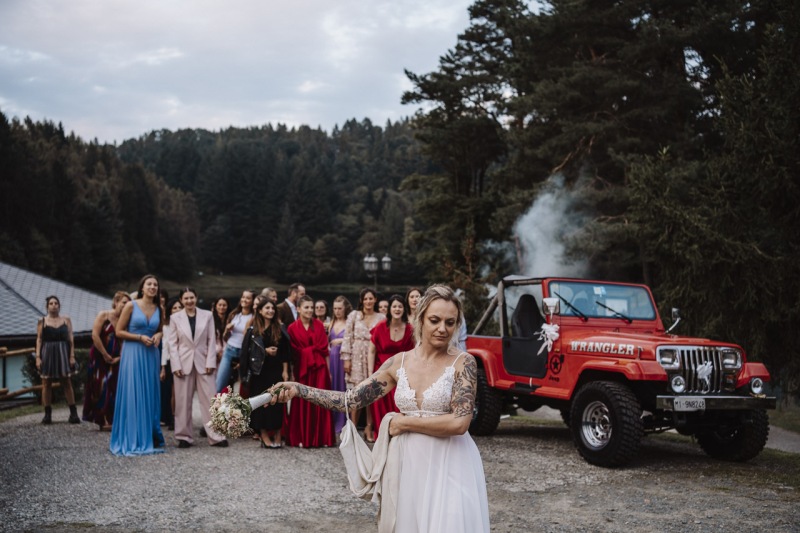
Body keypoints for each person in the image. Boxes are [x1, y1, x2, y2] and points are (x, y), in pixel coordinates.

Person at [269, 285, 490, 531]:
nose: (442, 329)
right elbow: (349, 400)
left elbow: (459, 423)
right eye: (435, 320)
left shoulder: (464, 362)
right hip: (408, 463)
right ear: (420, 318)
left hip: (451, 461)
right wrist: (300, 389)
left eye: (450, 322)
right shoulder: (399, 362)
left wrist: (403, 423)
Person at [110, 274, 165, 456]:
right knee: (134, 391)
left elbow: (160, 330)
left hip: (151, 354)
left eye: (155, 285)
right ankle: (132, 436)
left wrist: (158, 336)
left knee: (149, 393)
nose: (153, 287)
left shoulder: (159, 308)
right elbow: (119, 331)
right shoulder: (130, 305)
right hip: (133, 352)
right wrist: (139, 337)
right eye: (149, 284)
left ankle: (149, 435)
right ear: (142, 288)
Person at [168, 288, 228, 448]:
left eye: (192, 297)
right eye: (186, 298)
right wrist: (175, 364)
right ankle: (183, 436)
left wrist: (210, 362)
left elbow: (211, 339)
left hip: (204, 361)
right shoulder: (175, 318)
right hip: (182, 362)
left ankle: (216, 435)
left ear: (196, 298)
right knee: (183, 401)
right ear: (181, 300)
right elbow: (172, 343)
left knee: (210, 399)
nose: (189, 301)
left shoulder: (207, 315)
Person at [239, 298, 290, 448]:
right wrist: (265, 352)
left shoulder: (280, 328)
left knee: (278, 402)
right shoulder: (253, 331)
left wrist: (286, 372)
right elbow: (245, 355)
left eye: (272, 308)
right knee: (261, 403)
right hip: (259, 372)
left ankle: (278, 434)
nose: (270, 311)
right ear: (260, 310)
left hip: (276, 370)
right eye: (267, 308)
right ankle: (263, 435)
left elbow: (286, 353)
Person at [285, 295, 334, 448]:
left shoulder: (319, 325)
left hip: (319, 367)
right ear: (298, 309)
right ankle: (301, 436)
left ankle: (322, 438)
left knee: (320, 399)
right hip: (302, 368)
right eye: (306, 307)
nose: (309, 310)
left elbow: (324, 350)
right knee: (301, 399)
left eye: (311, 307)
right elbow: (292, 354)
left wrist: (329, 371)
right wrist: (291, 372)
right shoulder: (291, 328)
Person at [367, 294, 414, 441]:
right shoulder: (380, 327)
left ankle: (398, 436)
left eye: (400, 306)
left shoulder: (410, 329)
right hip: (381, 372)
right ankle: (381, 435)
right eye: (394, 306)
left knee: (398, 405)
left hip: (401, 374)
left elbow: (413, 354)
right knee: (379, 405)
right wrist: (371, 374)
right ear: (389, 309)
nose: (397, 309)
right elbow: (371, 351)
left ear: (404, 309)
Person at [340, 287, 385, 442]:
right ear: (361, 300)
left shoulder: (381, 317)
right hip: (357, 354)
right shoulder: (354, 315)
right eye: (365, 299)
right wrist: (347, 358)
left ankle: (368, 426)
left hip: (373, 356)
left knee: (372, 393)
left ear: (375, 300)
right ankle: (351, 426)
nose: (368, 301)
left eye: (371, 298)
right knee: (356, 393)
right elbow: (347, 337)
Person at [82, 291, 131, 430]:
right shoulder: (104, 315)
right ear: (116, 302)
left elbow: (125, 341)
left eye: (128, 303)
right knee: (100, 387)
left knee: (114, 387)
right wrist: (105, 354)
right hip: (99, 357)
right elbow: (95, 335)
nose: (125, 305)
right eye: (123, 302)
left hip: (116, 359)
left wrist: (120, 357)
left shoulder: (125, 320)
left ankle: (113, 419)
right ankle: (101, 420)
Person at [35, 296, 79, 425]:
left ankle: (73, 413)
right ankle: (47, 414)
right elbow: (39, 339)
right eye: (51, 303)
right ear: (47, 306)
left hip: (62, 351)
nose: (54, 305)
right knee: (46, 383)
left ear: (59, 306)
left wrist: (71, 355)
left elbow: (71, 338)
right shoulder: (42, 321)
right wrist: (38, 357)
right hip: (47, 352)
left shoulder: (66, 320)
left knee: (66, 381)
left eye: (56, 303)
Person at [216, 289, 255, 393]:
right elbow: (225, 338)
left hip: (245, 353)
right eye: (243, 297)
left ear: (252, 301)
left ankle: (239, 408)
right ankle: (218, 408)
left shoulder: (254, 317)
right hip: (229, 351)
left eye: (248, 298)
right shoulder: (234, 314)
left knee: (244, 387)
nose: (244, 300)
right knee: (220, 385)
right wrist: (227, 331)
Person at [328, 295, 352, 434]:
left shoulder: (349, 322)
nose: (337, 311)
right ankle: (332, 419)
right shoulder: (331, 323)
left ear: (345, 309)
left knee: (343, 388)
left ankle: (343, 420)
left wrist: (341, 340)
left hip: (343, 359)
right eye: (335, 308)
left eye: (340, 308)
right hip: (331, 359)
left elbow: (352, 339)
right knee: (332, 387)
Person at [159, 297, 183, 430]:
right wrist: (163, 367)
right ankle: (173, 418)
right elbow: (165, 347)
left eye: (180, 307)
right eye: (174, 308)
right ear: (170, 311)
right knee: (173, 391)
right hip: (170, 361)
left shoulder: (188, 324)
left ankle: (183, 417)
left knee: (181, 391)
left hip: (185, 360)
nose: (177, 310)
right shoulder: (166, 327)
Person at [210, 297, 228, 364]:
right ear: (216, 306)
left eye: (224, 305)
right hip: (214, 352)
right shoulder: (210, 320)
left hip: (227, 352)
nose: (222, 307)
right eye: (219, 305)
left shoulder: (231, 319)